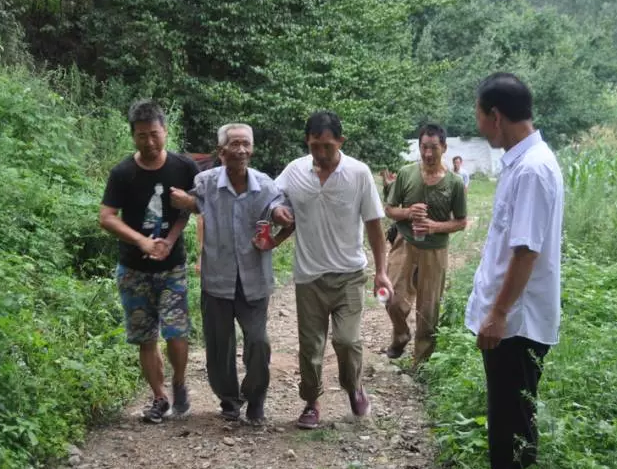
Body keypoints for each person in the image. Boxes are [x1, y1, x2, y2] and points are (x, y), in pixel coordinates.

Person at [466, 73, 564, 469]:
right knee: (505, 421)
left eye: (478, 116)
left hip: (517, 325)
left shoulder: (532, 170)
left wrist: (498, 313)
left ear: (495, 116)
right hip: (511, 321)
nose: (478, 126)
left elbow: (525, 252)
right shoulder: (521, 163)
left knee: (513, 428)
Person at [274, 111, 394, 429]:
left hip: (349, 275)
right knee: (310, 347)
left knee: (347, 341)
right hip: (309, 276)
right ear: (307, 142)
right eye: (314, 146)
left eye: (327, 145)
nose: (321, 153)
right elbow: (271, 197)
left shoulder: (358, 173)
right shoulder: (294, 171)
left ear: (341, 141)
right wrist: (277, 210)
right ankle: (311, 402)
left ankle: (354, 387)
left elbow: (374, 226)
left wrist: (381, 271)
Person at [169, 124, 293, 426]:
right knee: (218, 346)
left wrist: (279, 215)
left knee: (259, 341)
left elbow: (278, 206)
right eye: (234, 144)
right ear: (221, 151)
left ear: (252, 148)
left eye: (246, 144)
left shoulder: (265, 184)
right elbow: (193, 203)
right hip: (217, 279)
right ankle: (229, 399)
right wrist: (185, 202)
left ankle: (256, 398)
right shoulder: (206, 182)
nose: (241, 150)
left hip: (254, 278)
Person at [99, 100, 199, 423]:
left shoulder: (184, 167)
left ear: (165, 131)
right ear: (133, 136)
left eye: (154, 134)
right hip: (133, 268)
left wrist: (171, 238)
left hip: (172, 265)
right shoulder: (122, 173)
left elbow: (201, 205)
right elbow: (106, 217)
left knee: (176, 330)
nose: (149, 142)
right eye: (142, 135)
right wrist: (141, 241)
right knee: (145, 337)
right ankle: (159, 397)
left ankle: (179, 382)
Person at [383, 124, 467, 365]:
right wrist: (408, 212)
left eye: (434, 148)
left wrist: (434, 227)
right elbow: (389, 209)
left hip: (435, 251)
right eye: (424, 147)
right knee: (391, 298)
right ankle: (401, 334)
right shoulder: (406, 173)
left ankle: (421, 364)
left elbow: (461, 222)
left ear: (444, 148)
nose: (428, 153)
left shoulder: (454, 183)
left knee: (429, 310)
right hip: (404, 244)